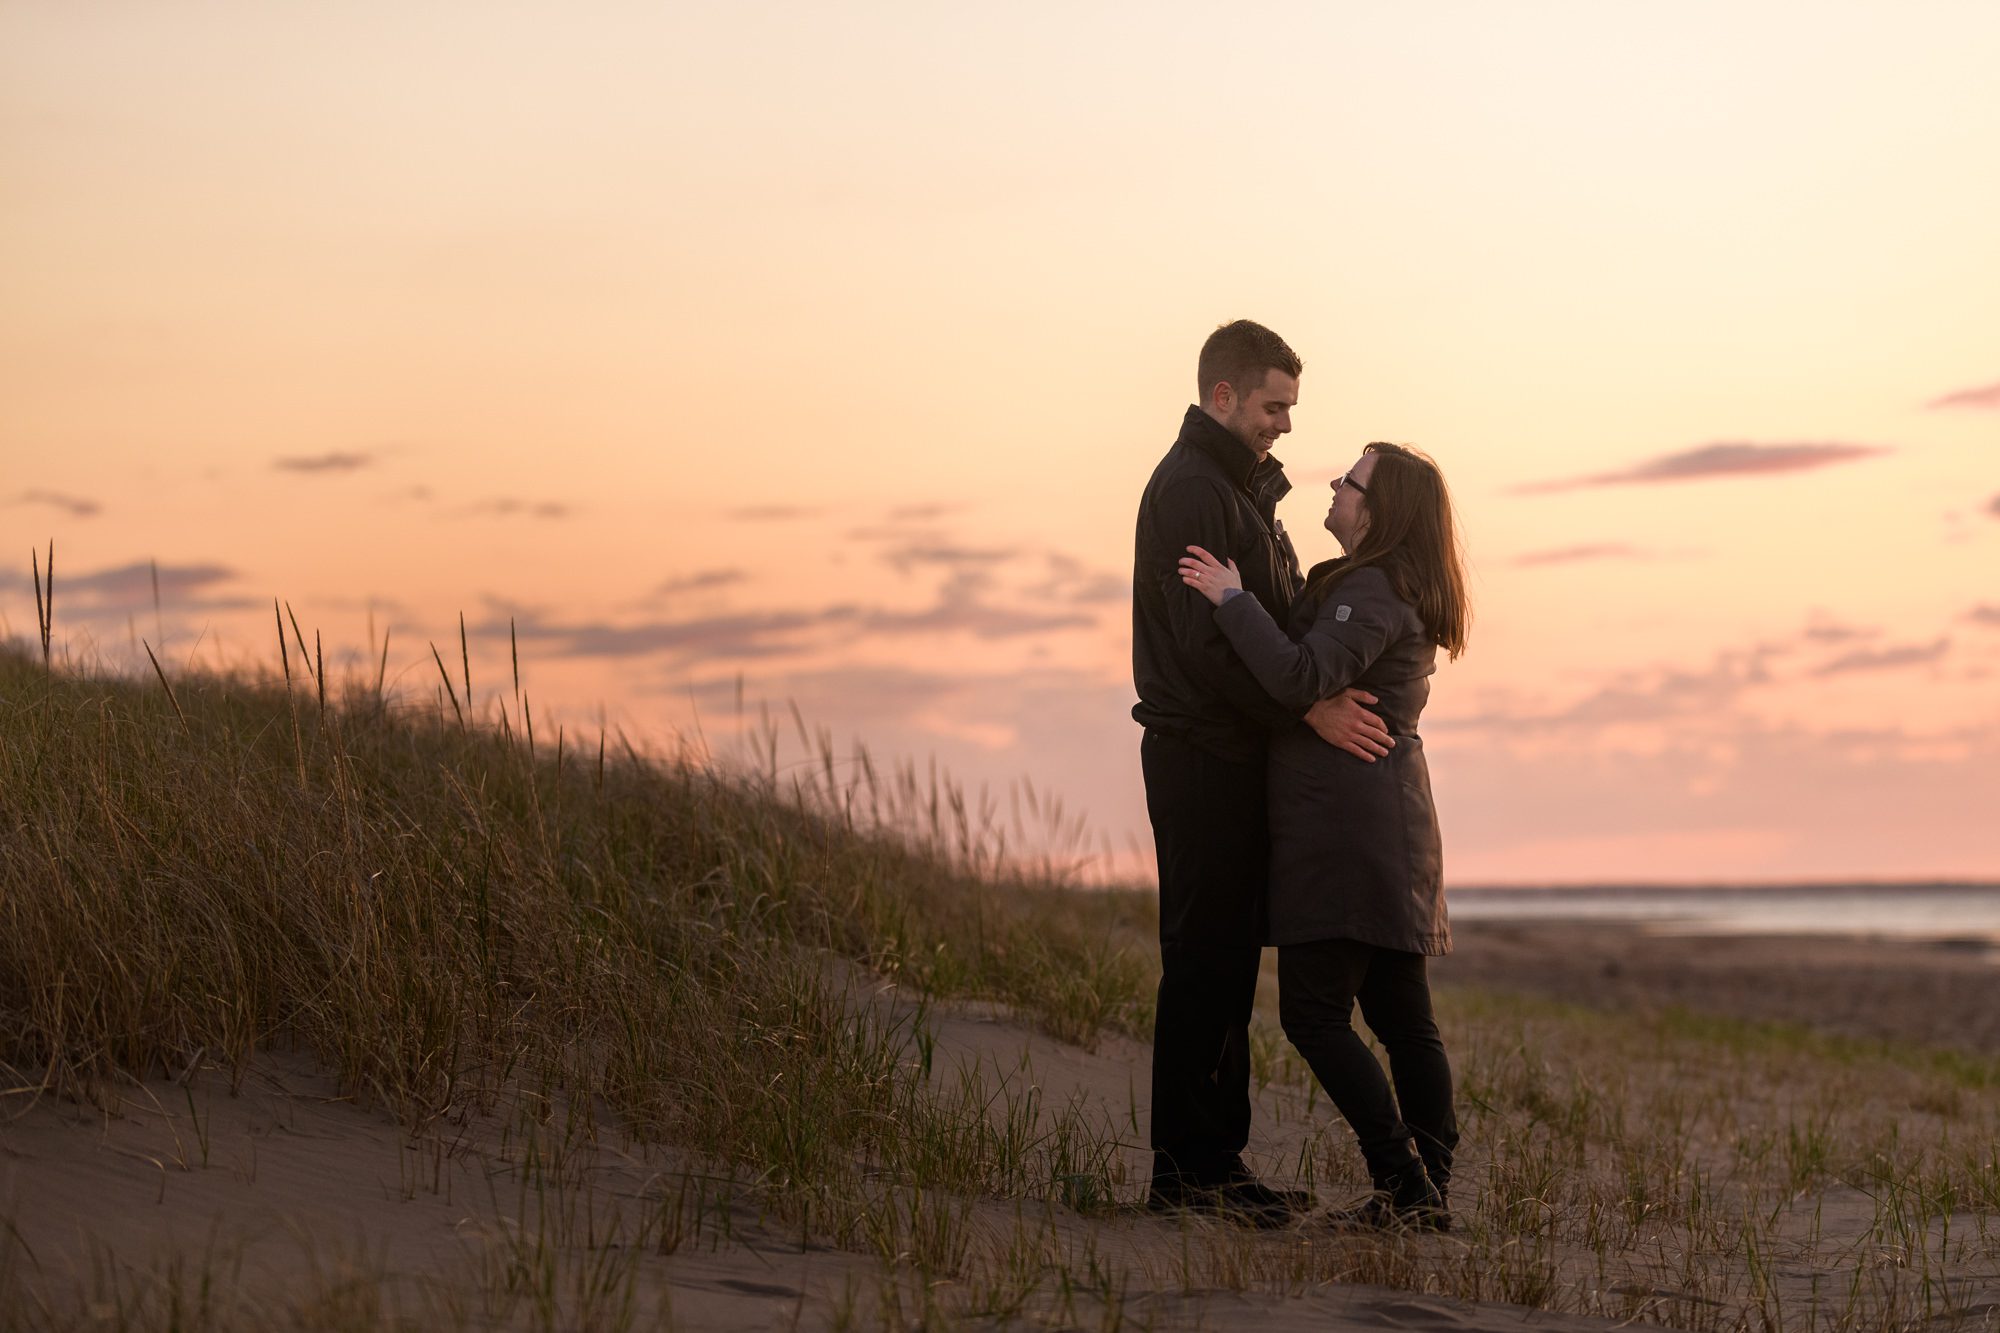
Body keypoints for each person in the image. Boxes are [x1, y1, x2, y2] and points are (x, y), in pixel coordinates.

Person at [1131, 321, 1395, 1227]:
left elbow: (1274, 620)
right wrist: (1308, 706)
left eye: (1289, 407)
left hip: (1234, 754)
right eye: (1273, 405)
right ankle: (1186, 1175)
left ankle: (1216, 1164)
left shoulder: (1241, 489)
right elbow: (1209, 651)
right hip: (1200, 752)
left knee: (1228, 963)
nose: (1284, 422)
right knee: (1203, 962)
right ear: (1224, 397)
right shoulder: (1195, 490)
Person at [1178, 440, 1470, 1230]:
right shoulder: (1380, 584)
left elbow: (1305, 676)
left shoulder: (1371, 587)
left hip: (1346, 830)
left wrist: (1233, 600)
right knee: (1404, 1016)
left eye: (1353, 480)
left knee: (1314, 1016)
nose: (1337, 485)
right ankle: (1426, 1193)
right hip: (1385, 826)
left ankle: (1407, 1186)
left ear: (1384, 509)